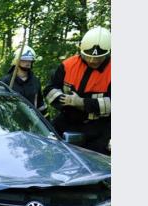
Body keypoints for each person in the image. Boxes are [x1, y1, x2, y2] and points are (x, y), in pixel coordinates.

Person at [44, 26, 111, 154]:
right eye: (88, 56)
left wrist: (80, 102)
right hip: (66, 121)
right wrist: (64, 100)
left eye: (98, 58)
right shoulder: (68, 65)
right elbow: (49, 89)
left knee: (96, 164)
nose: (92, 60)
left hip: (99, 129)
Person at [1, 46, 46, 114]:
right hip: (12, 121)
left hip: (32, 121)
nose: (28, 63)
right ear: (16, 62)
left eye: (30, 60)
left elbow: (41, 105)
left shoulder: (35, 82)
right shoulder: (6, 81)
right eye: (24, 60)